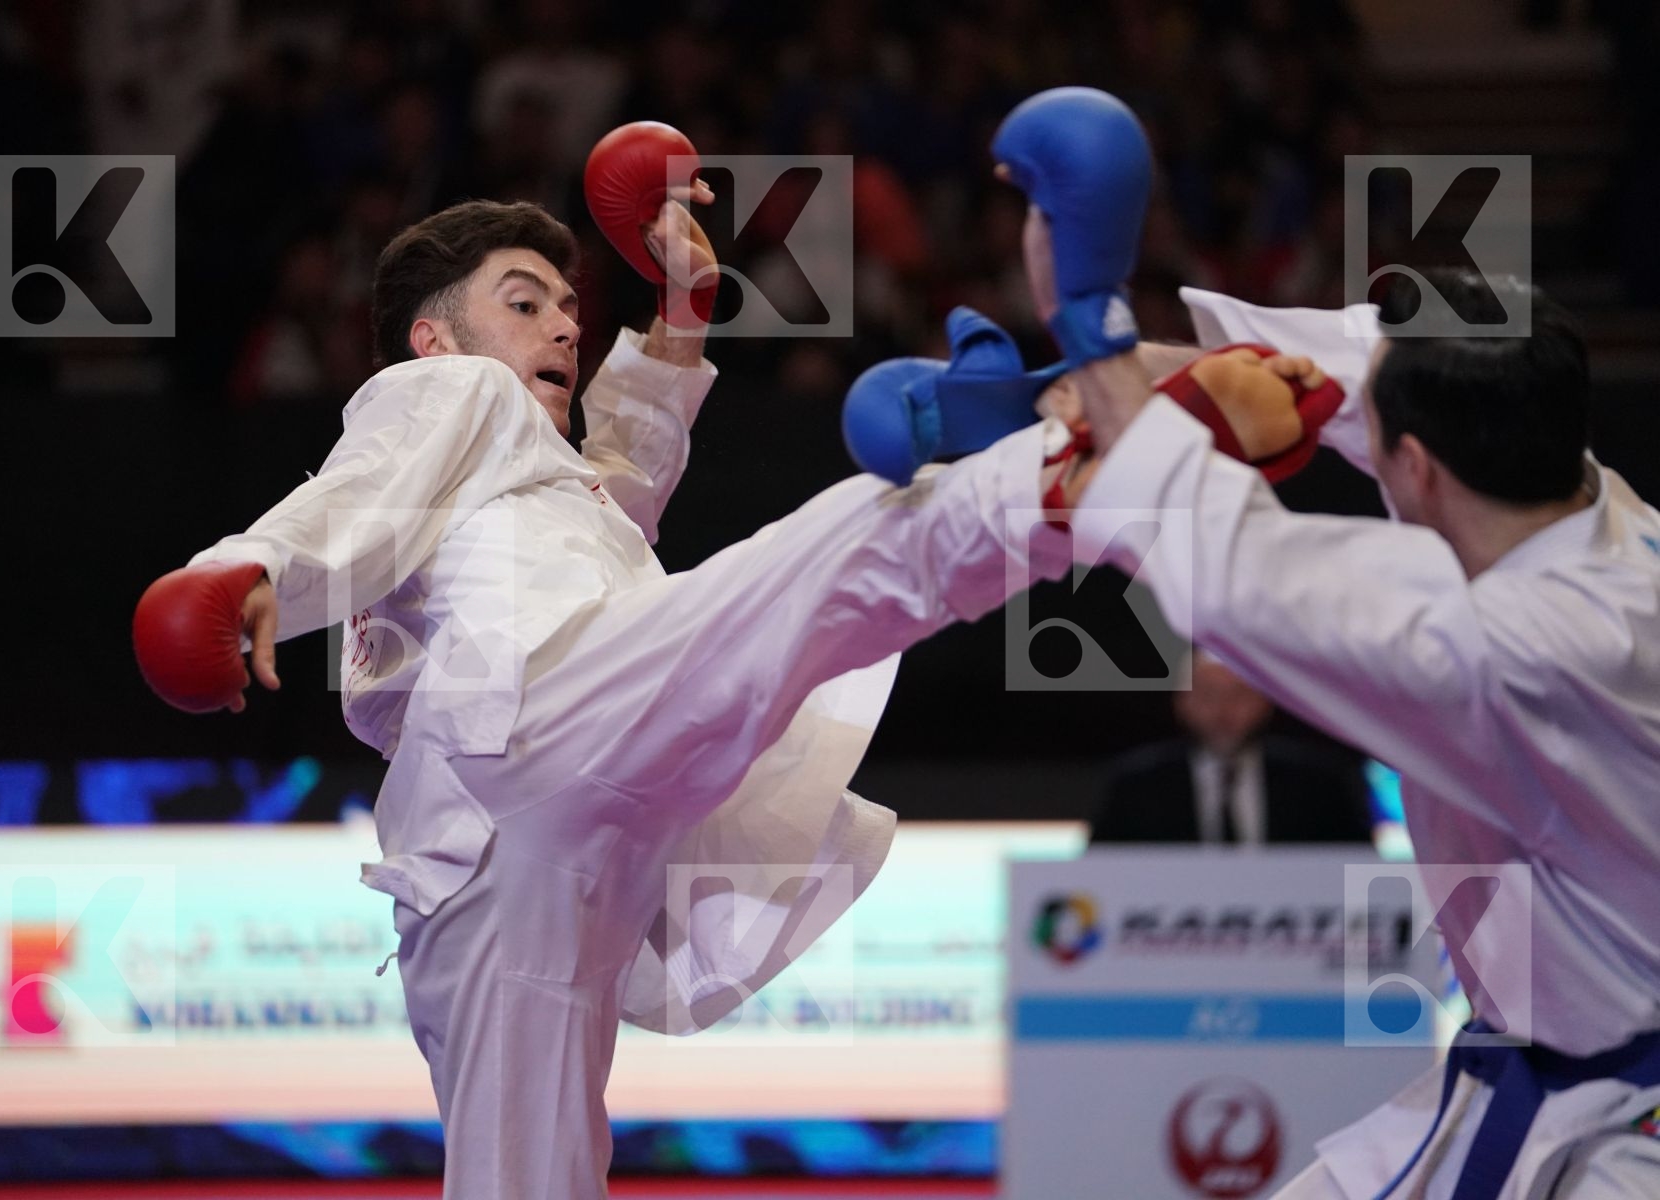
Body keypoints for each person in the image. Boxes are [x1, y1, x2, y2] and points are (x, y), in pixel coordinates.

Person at [131, 118, 1105, 1198]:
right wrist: (245, 571)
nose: (562, 326)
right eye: (523, 301)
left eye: (567, 307)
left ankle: (1043, 481)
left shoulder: (541, 481)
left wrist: (683, 311)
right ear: (432, 339)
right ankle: (1056, 471)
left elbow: (622, 476)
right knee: (794, 578)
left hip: (526, 856)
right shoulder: (456, 395)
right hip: (534, 742)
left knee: (532, 1182)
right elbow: (369, 484)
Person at [1008, 131, 1660, 1194]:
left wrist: (1084, 316)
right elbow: (1322, 377)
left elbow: (1240, 577)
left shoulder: (1528, 647)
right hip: (1530, 1074)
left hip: (1623, 1129)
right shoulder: (1579, 486)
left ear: (1412, 464)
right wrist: (1084, 387)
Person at [1092, 645, 1373, 846]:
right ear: (1181, 702)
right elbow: (1101, 874)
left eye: (1239, 695)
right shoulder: (1135, 786)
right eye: (1208, 695)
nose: (1223, 710)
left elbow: (1355, 867)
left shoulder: (1321, 784)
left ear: (1266, 701)